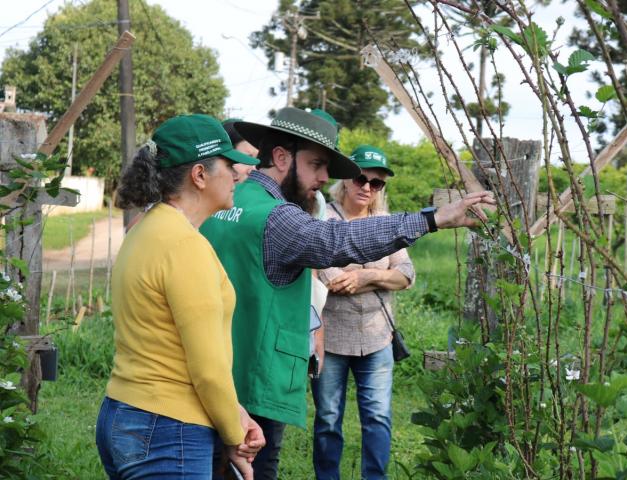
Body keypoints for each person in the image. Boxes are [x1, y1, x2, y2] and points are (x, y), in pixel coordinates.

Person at [199, 107, 494, 479]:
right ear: (280, 157)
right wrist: (433, 218)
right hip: (255, 382)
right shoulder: (277, 218)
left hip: (213, 373)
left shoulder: (226, 203)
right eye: (317, 164)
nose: (324, 178)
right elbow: (338, 240)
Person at [95, 114, 265, 480]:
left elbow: (168, 346)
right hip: (167, 429)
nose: (237, 175)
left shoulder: (146, 229)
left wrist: (235, 412)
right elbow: (207, 369)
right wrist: (235, 437)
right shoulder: (185, 247)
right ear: (199, 175)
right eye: (229, 166)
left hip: (123, 413)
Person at [313, 145, 412, 479]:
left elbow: (406, 275)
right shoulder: (322, 218)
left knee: (378, 418)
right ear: (345, 179)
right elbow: (331, 279)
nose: (367, 187)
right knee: (327, 418)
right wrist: (381, 279)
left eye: (376, 183)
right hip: (331, 338)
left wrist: (367, 276)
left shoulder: (386, 224)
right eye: (360, 178)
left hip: (377, 338)